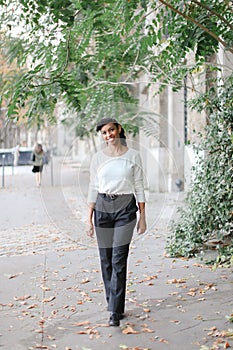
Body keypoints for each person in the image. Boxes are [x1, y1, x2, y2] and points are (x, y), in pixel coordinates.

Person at [87, 118, 147, 327]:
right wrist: (89, 219)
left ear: (118, 129)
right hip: (102, 208)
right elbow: (93, 187)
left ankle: (113, 311)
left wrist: (142, 217)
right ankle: (115, 304)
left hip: (125, 209)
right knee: (106, 260)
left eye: (111, 130)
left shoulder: (133, 156)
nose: (108, 135)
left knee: (119, 259)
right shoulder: (97, 158)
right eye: (104, 133)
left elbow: (139, 186)